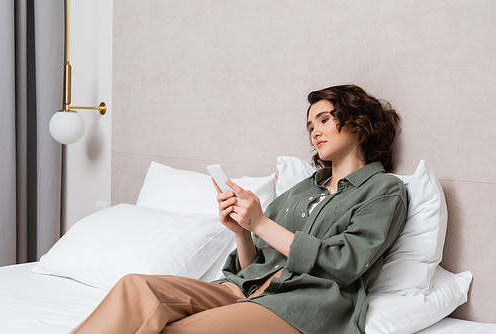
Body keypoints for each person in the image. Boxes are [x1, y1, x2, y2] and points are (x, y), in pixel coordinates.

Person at [70, 84, 407, 334]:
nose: (315, 131)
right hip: (241, 289)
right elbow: (255, 264)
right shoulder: (303, 189)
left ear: (359, 122)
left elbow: (343, 264)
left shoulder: (384, 190)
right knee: (135, 287)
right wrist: (243, 232)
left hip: (300, 304)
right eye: (310, 126)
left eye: (324, 119)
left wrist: (260, 223)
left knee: (174, 330)